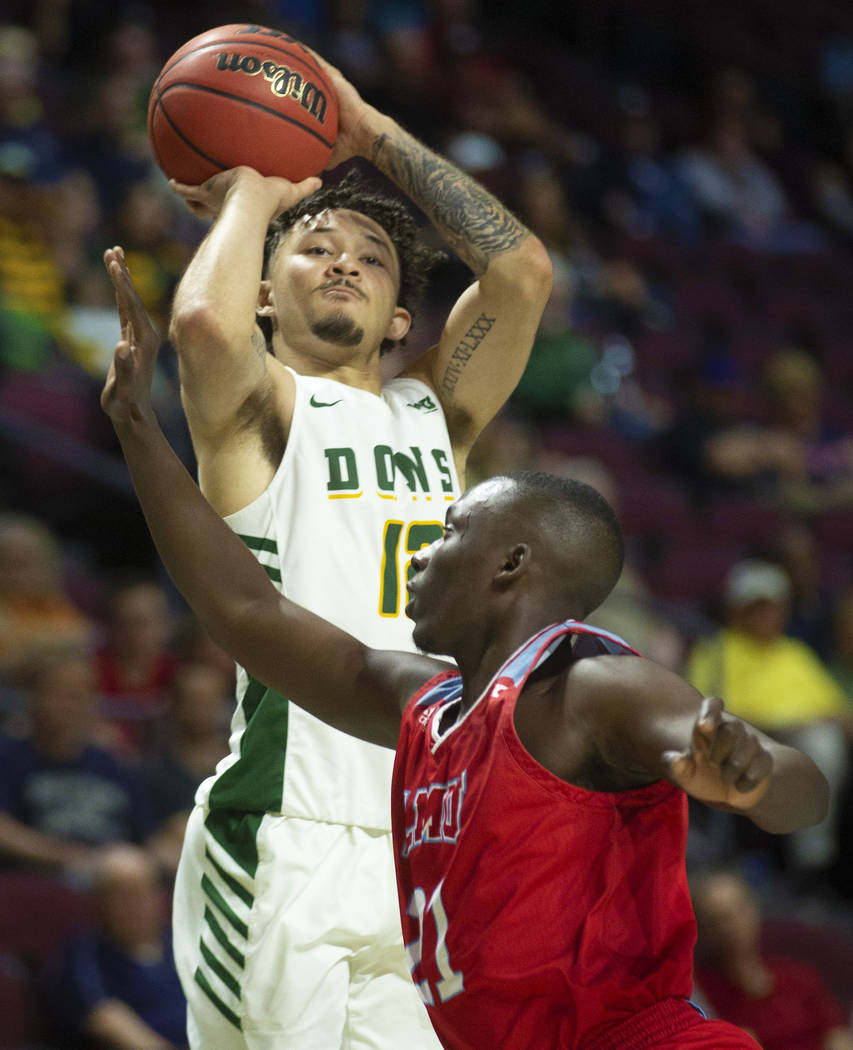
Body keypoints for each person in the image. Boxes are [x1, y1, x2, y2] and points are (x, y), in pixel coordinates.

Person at [99, 270, 828, 1050]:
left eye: (447, 534)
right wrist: (139, 425)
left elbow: (804, 793)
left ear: (509, 567)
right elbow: (248, 611)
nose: (419, 554)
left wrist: (755, 778)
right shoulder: (426, 705)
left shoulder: (592, 688)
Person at [111, 45, 552, 1050]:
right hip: (286, 832)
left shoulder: (432, 414)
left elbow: (521, 270)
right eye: (313, 249)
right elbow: (203, 329)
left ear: (402, 314)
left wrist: (362, 133)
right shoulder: (260, 412)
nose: (344, 257)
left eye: (371, 253)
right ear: (264, 292)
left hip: (427, 847)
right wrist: (255, 192)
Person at [0, 641, 156, 876]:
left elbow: (149, 839)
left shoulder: (113, 764)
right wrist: (70, 857)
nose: (77, 706)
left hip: (116, 876)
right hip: (43, 881)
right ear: (33, 697)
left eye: (85, 694)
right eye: (65, 694)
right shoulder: (9, 757)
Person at [46, 844, 188, 1050]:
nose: (135, 904)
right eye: (122, 894)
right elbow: (106, 1019)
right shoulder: (85, 954)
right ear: (99, 902)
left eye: (143, 891)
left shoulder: (185, 943)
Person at [691, 869, 853, 1050]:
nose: (729, 927)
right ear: (699, 929)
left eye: (736, 912)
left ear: (753, 911)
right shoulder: (698, 996)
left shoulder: (798, 977)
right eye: (715, 920)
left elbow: (837, 1034)